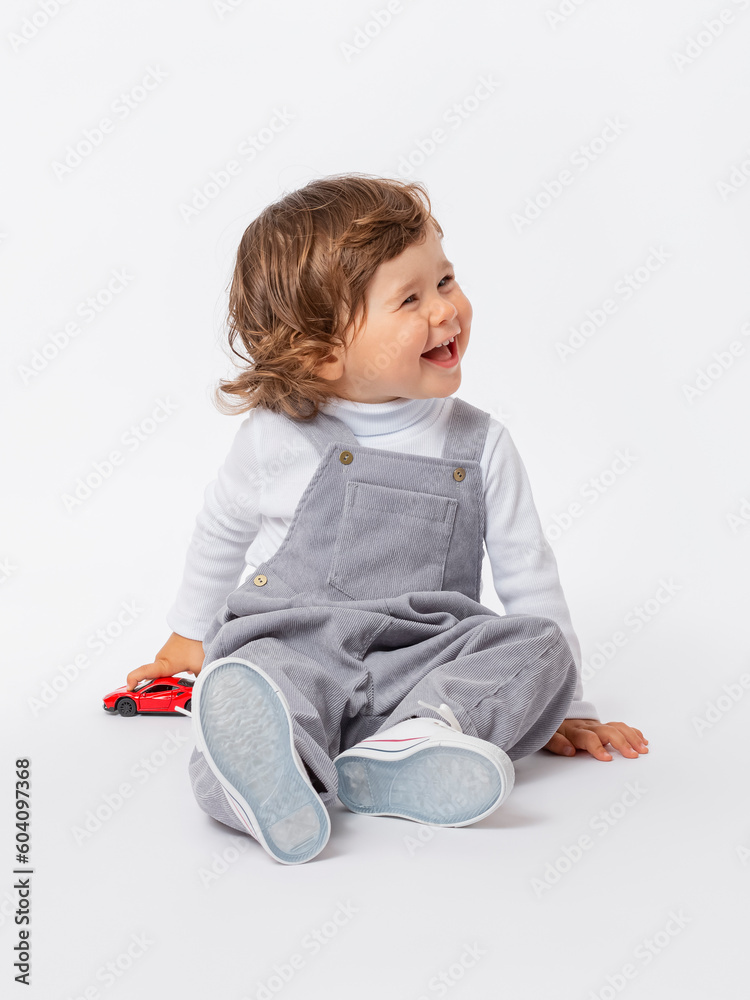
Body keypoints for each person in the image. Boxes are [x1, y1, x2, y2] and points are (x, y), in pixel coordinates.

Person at [126, 173, 648, 865]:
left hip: (423, 660)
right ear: (321, 353)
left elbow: (528, 570)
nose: (446, 310)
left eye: (445, 279)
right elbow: (221, 528)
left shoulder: (479, 444)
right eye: (410, 298)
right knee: (253, 689)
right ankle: (270, 783)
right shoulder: (277, 437)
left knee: (541, 645)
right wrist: (187, 638)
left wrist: (569, 704)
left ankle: (416, 742)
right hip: (299, 648)